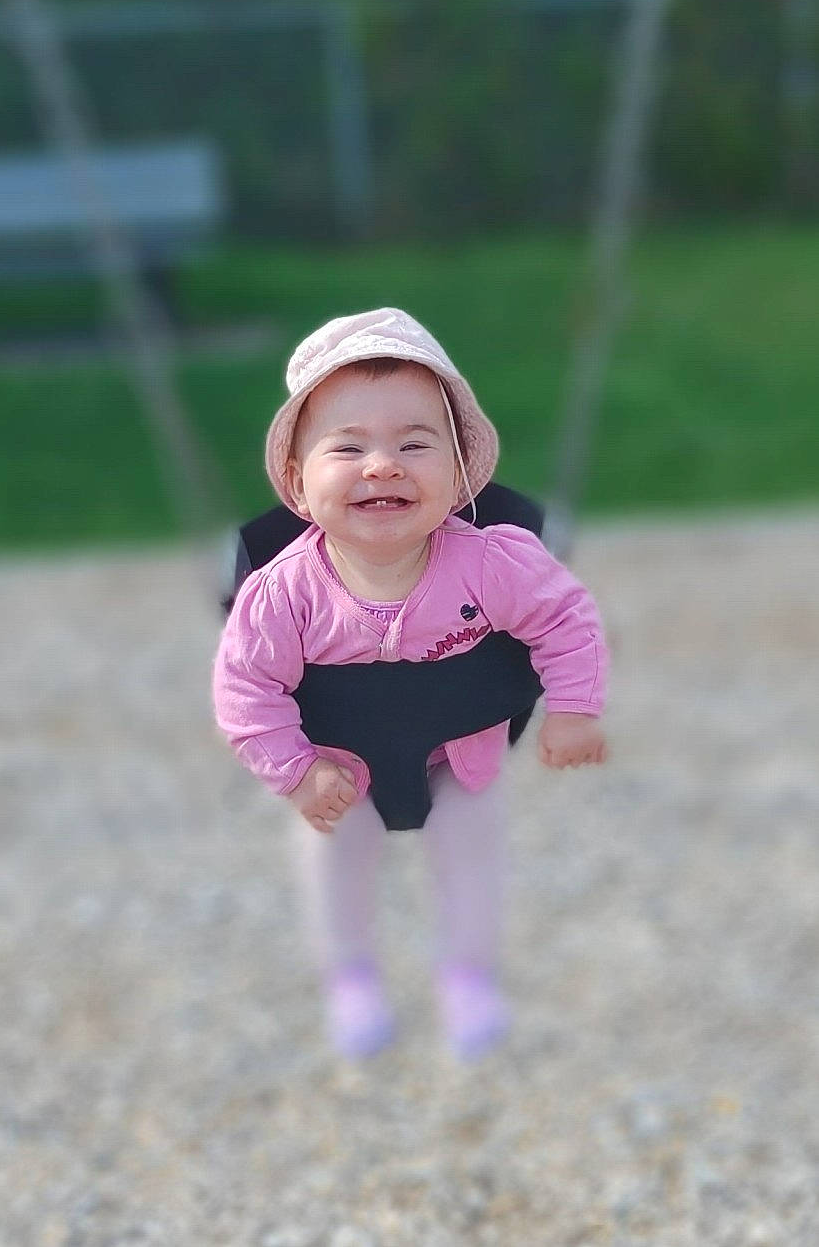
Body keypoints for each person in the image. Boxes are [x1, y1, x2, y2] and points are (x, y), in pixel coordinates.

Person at [214, 308, 609, 1059]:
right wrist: (295, 772)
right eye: (349, 446)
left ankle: (468, 976)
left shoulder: (496, 560)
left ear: (460, 476)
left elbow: (566, 617)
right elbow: (245, 690)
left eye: (415, 444)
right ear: (298, 483)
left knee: (473, 839)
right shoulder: (281, 590)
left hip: (463, 751)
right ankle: (351, 977)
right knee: (332, 841)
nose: (382, 464)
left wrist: (573, 707)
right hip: (338, 762)